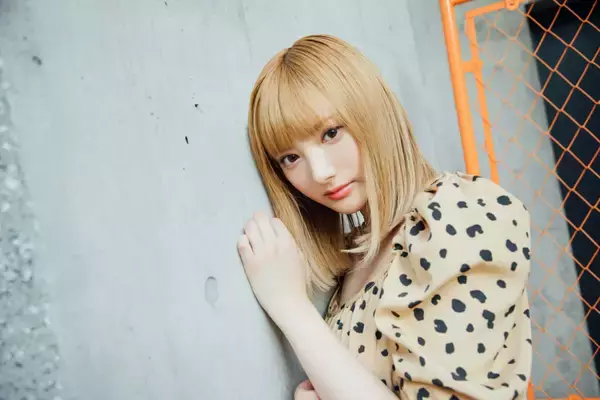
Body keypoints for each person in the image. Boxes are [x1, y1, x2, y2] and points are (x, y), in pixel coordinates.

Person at [237, 34, 532, 400]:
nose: (321, 172)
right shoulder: (356, 259)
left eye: (331, 133)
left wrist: (291, 308)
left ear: (372, 112)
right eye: (290, 158)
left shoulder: (459, 213)